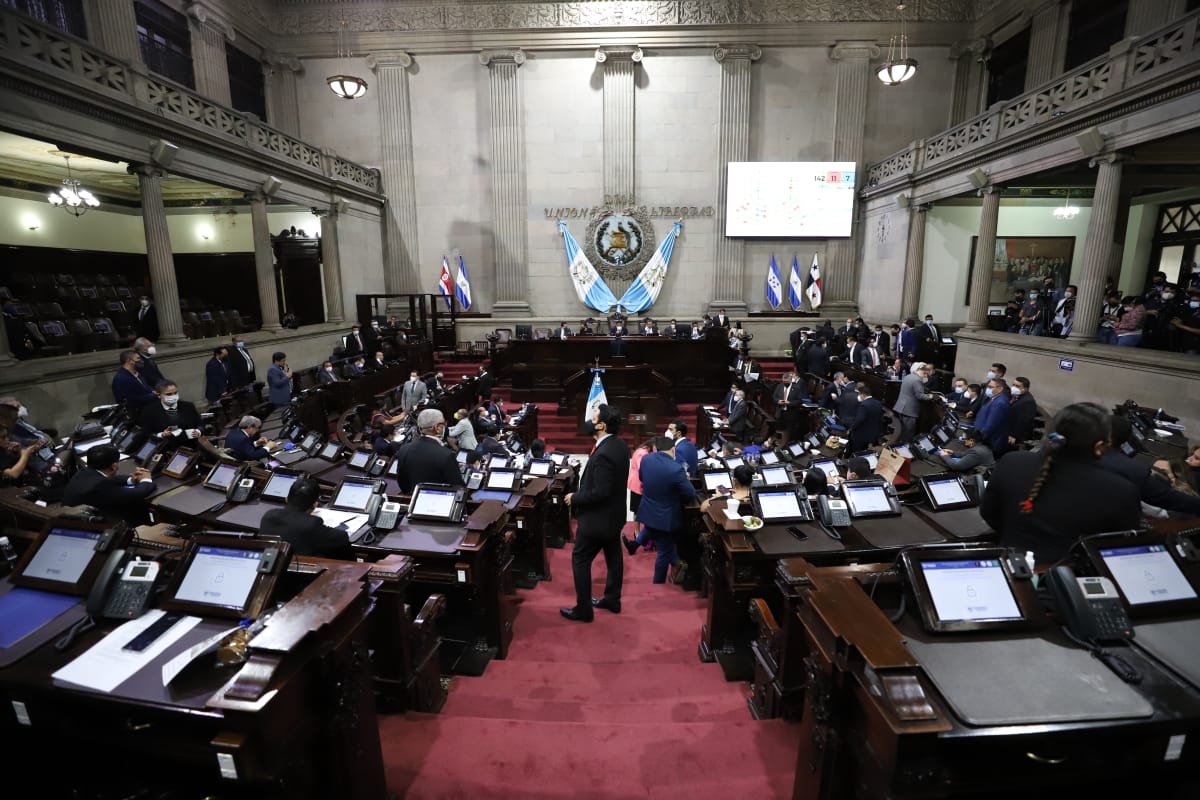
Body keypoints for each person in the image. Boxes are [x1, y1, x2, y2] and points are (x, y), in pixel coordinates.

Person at [980, 403, 1140, 565]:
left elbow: (989, 513)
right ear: (1099, 446)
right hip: (1076, 576)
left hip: (1011, 565)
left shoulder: (1011, 462)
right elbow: (1120, 548)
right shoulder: (1122, 491)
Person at [562, 404, 630, 623]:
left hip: (597, 520)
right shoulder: (619, 445)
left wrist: (575, 497)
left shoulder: (603, 454)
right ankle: (612, 599)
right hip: (614, 517)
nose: (588, 419)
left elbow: (601, 492)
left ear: (601, 425)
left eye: (593, 417)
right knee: (613, 556)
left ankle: (583, 610)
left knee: (580, 559)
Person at [1101, 416, 1200, 517]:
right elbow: (1167, 499)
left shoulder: (1089, 458)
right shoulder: (1136, 471)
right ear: (1125, 443)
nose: (1190, 459)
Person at [631, 436, 696, 585]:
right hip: (665, 518)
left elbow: (642, 478)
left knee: (662, 546)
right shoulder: (676, 469)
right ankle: (657, 584)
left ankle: (678, 564)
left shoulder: (646, 460)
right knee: (664, 552)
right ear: (673, 450)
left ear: (655, 448)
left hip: (647, 512)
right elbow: (690, 494)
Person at [259, 477, 353, 559]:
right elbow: (342, 538)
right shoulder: (311, 524)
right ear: (314, 505)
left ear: (286, 499)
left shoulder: (269, 515)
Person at [62, 444, 155, 524]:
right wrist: (146, 479)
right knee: (137, 505)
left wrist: (131, 480)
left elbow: (109, 480)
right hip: (87, 525)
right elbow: (138, 493)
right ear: (114, 466)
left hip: (71, 518)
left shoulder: (83, 472)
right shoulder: (101, 485)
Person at [391, 409, 465, 494]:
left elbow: (403, 483)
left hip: (413, 500)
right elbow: (459, 489)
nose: (445, 426)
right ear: (437, 428)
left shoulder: (404, 449)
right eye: (443, 424)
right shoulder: (446, 455)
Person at [973, 376, 1013, 457]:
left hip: (990, 442)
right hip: (983, 436)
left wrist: (977, 438)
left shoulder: (1000, 403)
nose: (988, 389)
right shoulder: (994, 398)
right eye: (988, 386)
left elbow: (991, 424)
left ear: (1000, 389)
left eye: (991, 387)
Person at [893, 363, 933, 442]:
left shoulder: (908, 376)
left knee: (901, 429)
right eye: (926, 375)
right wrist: (930, 396)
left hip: (901, 406)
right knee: (908, 432)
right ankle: (905, 448)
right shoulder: (917, 380)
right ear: (923, 373)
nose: (925, 377)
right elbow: (920, 396)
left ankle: (899, 445)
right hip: (909, 410)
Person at [0, 423, 42, 487]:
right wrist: (25, 455)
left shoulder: (3, 450)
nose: (7, 439)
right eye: (3, 437)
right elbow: (13, 473)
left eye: (7, 436)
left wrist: (18, 451)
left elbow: (16, 463)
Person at [848, 383, 884, 453]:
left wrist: (851, 428)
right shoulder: (878, 403)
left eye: (859, 394)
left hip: (861, 436)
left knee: (856, 452)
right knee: (865, 452)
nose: (858, 396)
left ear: (863, 395)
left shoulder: (863, 405)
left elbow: (859, 420)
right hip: (873, 434)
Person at [774, 372, 809, 442]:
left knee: (790, 433)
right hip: (780, 413)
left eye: (786, 382)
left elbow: (799, 401)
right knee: (780, 433)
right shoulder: (779, 386)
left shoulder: (796, 388)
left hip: (791, 414)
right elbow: (774, 397)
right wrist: (778, 401)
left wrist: (790, 403)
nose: (785, 383)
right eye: (784, 381)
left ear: (790, 380)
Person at [1008, 377, 1038, 447]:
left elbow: (1024, 421)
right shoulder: (1017, 396)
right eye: (1013, 385)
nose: (1014, 387)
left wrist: (1014, 435)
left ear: (1026, 389)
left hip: (1014, 437)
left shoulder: (1028, 401)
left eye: (1017, 386)